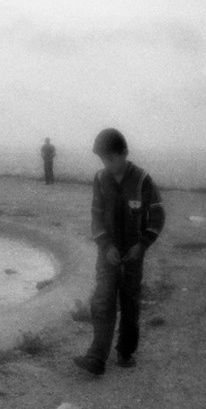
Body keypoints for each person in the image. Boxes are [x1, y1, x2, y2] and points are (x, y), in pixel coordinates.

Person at [73, 128, 165, 375]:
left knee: (130, 302)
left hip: (133, 255)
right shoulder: (100, 179)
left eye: (111, 159)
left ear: (124, 154)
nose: (107, 164)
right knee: (102, 301)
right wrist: (105, 246)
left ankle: (125, 351)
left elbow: (157, 215)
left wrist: (143, 244)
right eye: (103, 159)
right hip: (108, 254)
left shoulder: (142, 180)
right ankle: (97, 357)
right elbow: (96, 216)